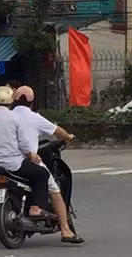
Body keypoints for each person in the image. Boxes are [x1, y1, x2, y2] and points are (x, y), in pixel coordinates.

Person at [11, 86, 83, 244]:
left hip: (7, 161)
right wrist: (69, 136)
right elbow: (58, 131)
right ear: (32, 102)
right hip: (27, 160)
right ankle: (65, 230)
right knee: (55, 190)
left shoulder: (9, 117)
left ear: (14, 101)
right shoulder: (33, 117)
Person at [0, 86, 50, 218]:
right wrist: (31, 155)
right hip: (13, 164)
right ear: (11, 102)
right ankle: (35, 208)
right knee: (41, 174)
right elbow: (23, 143)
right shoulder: (15, 117)